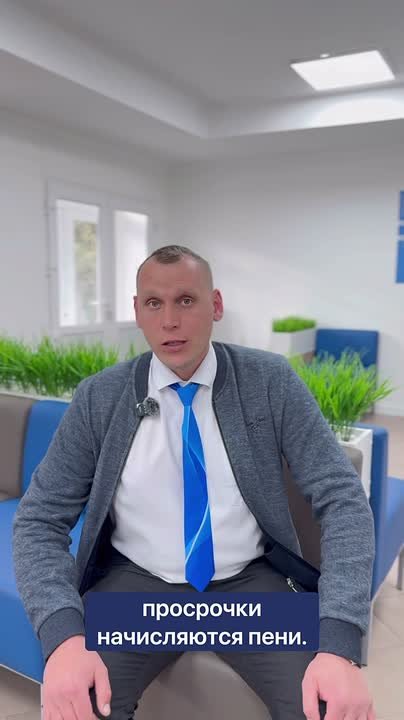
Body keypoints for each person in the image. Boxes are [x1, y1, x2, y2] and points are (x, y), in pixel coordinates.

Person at [13, 245, 375, 720]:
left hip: (248, 584)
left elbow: (343, 498)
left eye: (186, 300)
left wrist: (340, 642)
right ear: (137, 311)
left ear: (215, 305)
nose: (170, 321)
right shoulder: (100, 397)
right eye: (154, 303)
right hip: (137, 585)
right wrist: (62, 636)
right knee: (80, 706)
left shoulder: (270, 381)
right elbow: (39, 519)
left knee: (327, 709)